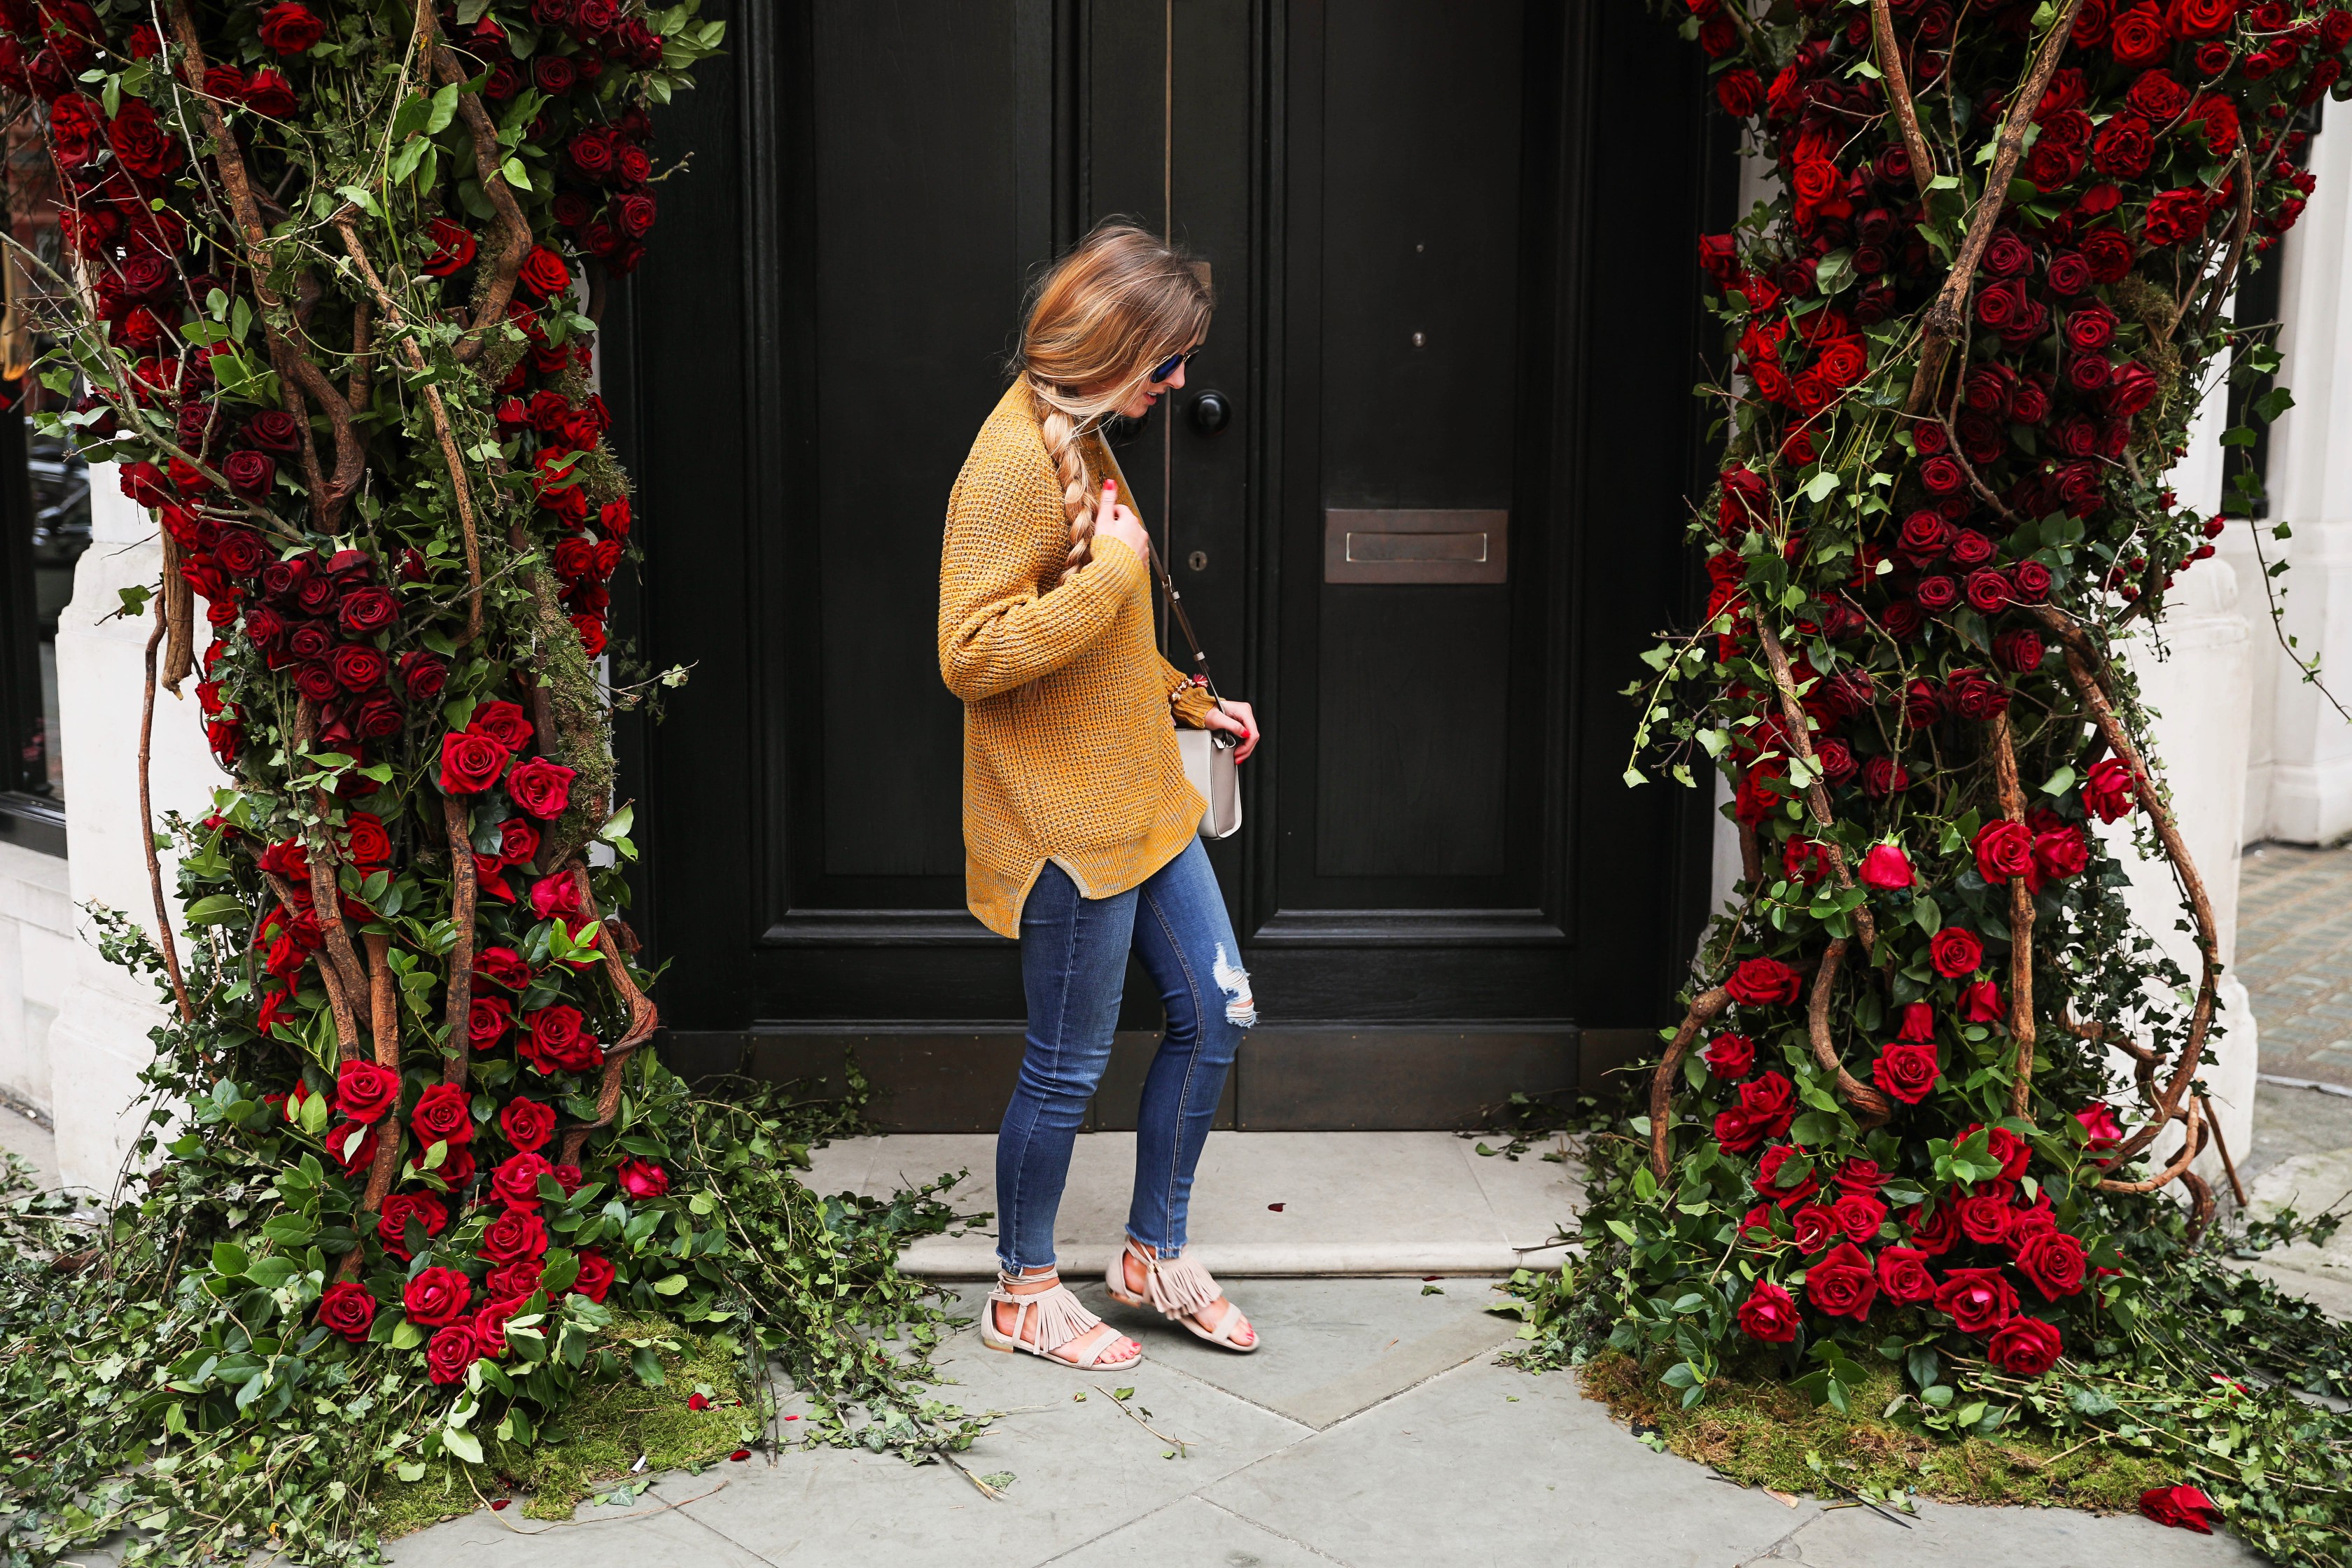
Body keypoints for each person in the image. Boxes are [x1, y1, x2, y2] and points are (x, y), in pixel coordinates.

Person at [937, 221, 1264, 1369]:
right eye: (1166, 363)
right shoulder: (1009, 462)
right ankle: (1023, 1291)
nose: (1178, 384)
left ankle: (1149, 1253)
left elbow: (1105, 633)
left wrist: (1189, 704)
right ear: (1112, 347)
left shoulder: (1081, 432)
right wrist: (1120, 569)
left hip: (1142, 795)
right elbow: (970, 656)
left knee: (1216, 1012)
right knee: (1067, 1065)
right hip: (1065, 825)